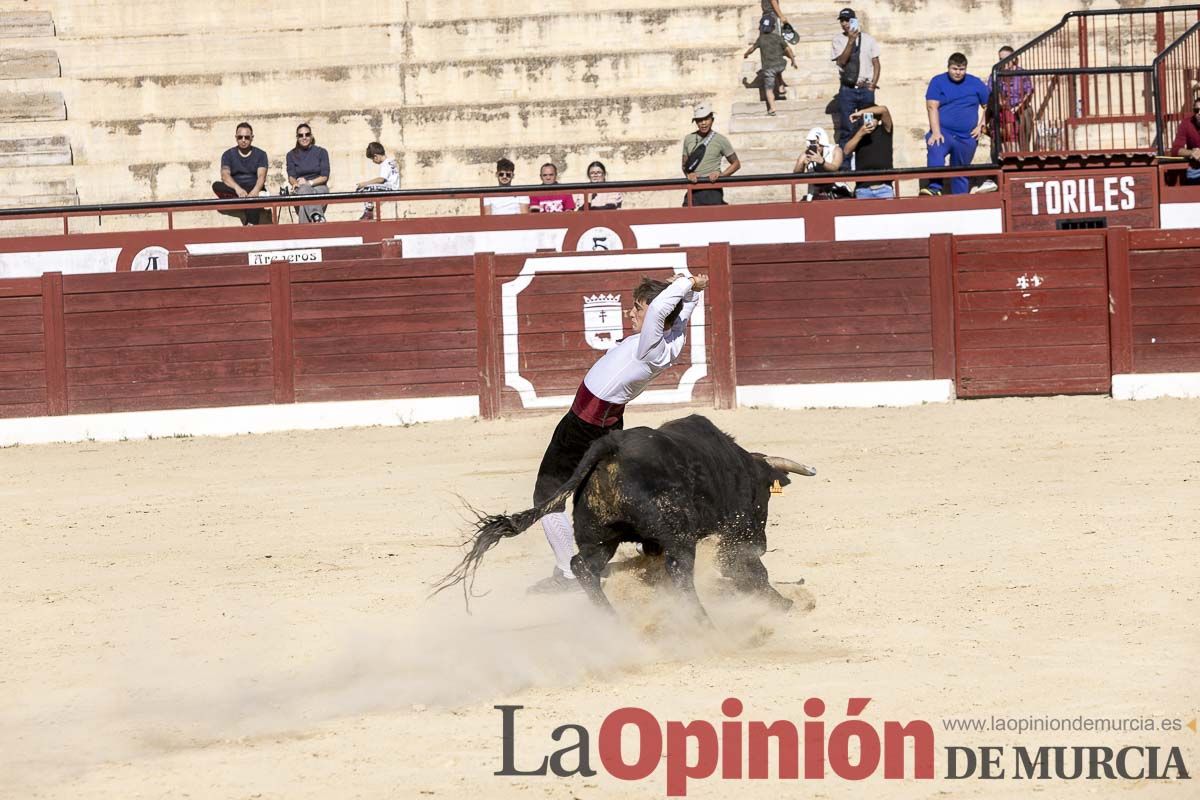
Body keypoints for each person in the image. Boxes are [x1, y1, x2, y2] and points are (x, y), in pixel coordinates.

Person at [528, 272, 710, 593]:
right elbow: (677, 318)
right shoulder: (669, 341)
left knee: (548, 497)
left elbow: (659, 311)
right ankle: (655, 544)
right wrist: (691, 296)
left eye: (637, 308)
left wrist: (685, 283)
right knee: (613, 496)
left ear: (654, 312)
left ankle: (568, 573)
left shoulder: (649, 347)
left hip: (582, 428)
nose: (631, 313)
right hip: (609, 426)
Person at [922, 52, 989, 196]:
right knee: (935, 149)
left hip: (967, 136)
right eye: (954, 69)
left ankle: (960, 200)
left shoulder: (976, 83)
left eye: (961, 69)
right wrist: (936, 131)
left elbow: (989, 105)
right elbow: (931, 106)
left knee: (961, 170)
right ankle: (934, 188)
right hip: (943, 132)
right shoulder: (938, 81)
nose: (958, 73)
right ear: (948, 67)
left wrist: (981, 125)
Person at [831, 8, 881, 145]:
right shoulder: (838, 40)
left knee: (868, 125)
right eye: (842, 20)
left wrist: (873, 85)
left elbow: (876, 63)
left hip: (866, 89)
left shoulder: (869, 40)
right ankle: (845, 163)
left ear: (854, 21)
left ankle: (866, 159)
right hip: (848, 90)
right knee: (847, 128)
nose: (845, 23)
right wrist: (851, 41)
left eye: (848, 20)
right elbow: (841, 62)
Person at [681, 103, 741, 206]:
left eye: (706, 119)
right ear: (695, 122)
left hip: (713, 190)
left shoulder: (721, 139)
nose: (703, 123)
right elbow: (684, 165)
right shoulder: (688, 139)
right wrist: (689, 175)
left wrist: (721, 176)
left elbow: (736, 164)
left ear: (712, 120)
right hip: (693, 189)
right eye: (700, 120)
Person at [213, 122, 270, 226]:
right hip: (235, 189)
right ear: (236, 137)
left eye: (247, 137)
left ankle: (251, 224)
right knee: (216, 185)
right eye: (240, 137)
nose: (243, 140)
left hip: (253, 187)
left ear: (252, 138)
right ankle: (247, 201)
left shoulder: (261, 154)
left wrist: (255, 191)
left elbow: (262, 176)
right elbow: (225, 175)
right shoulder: (228, 154)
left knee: (253, 198)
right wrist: (238, 189)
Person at [842, 105, 894, 199]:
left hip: (884, 188)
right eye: (867, 117)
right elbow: (846, 150)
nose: (871, 120)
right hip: (863, 189)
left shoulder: (885, 129)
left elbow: (884, 110)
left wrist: (861, 112)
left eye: (873, 116)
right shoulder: (859, 133)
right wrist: (860, 133)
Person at [988, 45, 1034, 152]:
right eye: (1000, 59)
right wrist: (1001, 105)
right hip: (1001, 108)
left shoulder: (1022, 73)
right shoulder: (995, 74)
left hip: (1020, 107)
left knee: (1025, 115)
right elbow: (992, 92)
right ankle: (998, 155)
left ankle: (1023, 153)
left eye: (1006, 59)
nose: (1003, 62)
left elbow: (1029, 92)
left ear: (1013, 58)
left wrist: (1018, 107)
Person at [744, 25, 797, 116]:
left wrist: (746, 54)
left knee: (768, 89)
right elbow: (788, 49)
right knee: (777, 71)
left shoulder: (761, 39)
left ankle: (772, 109)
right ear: (773, 28)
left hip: (769, 68)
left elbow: (752, 49)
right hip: (781, 65)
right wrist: (793, 60)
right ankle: (780, 87)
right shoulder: (778, 37)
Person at [286, 123, 330, 223]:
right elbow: (291, 176)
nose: (304, 137)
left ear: (311, 136)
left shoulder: (321, 152)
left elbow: (324, 176)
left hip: (319, 187)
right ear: (297, 137)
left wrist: (309, 183)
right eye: (301, 135)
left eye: (307, 134)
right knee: (304, 190)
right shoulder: (291, 155)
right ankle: (317, 217)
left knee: (304, 203)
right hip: (300, 188)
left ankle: (304, 233)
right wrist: (295, 184)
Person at [792, 126, 846, 200]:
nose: (817, 146)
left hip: (837, 190)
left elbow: (835, 167)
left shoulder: (835, 150)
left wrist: (822, 162)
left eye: (818, 143)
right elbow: (796, 173)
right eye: (813, 143)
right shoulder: (806, 153)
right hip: (815, 192)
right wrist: (803, 164)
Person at [354, 141, 400, 221]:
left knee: (365, 188)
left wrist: (364, 184)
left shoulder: (385, 164)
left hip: (390, 187)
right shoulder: (391, 161)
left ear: (376, 156)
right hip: (392, 186)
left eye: (372, 159)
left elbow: (381, 179)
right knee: (367, 188)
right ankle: (369, 210)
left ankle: (369, 212)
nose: (373, 161)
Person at [1169, 97, 1200, 186]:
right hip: (1196, 168)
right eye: (1196, 110)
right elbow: (1175, 150)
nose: (1199, 113)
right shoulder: (1186, 123)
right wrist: (1192, 152)